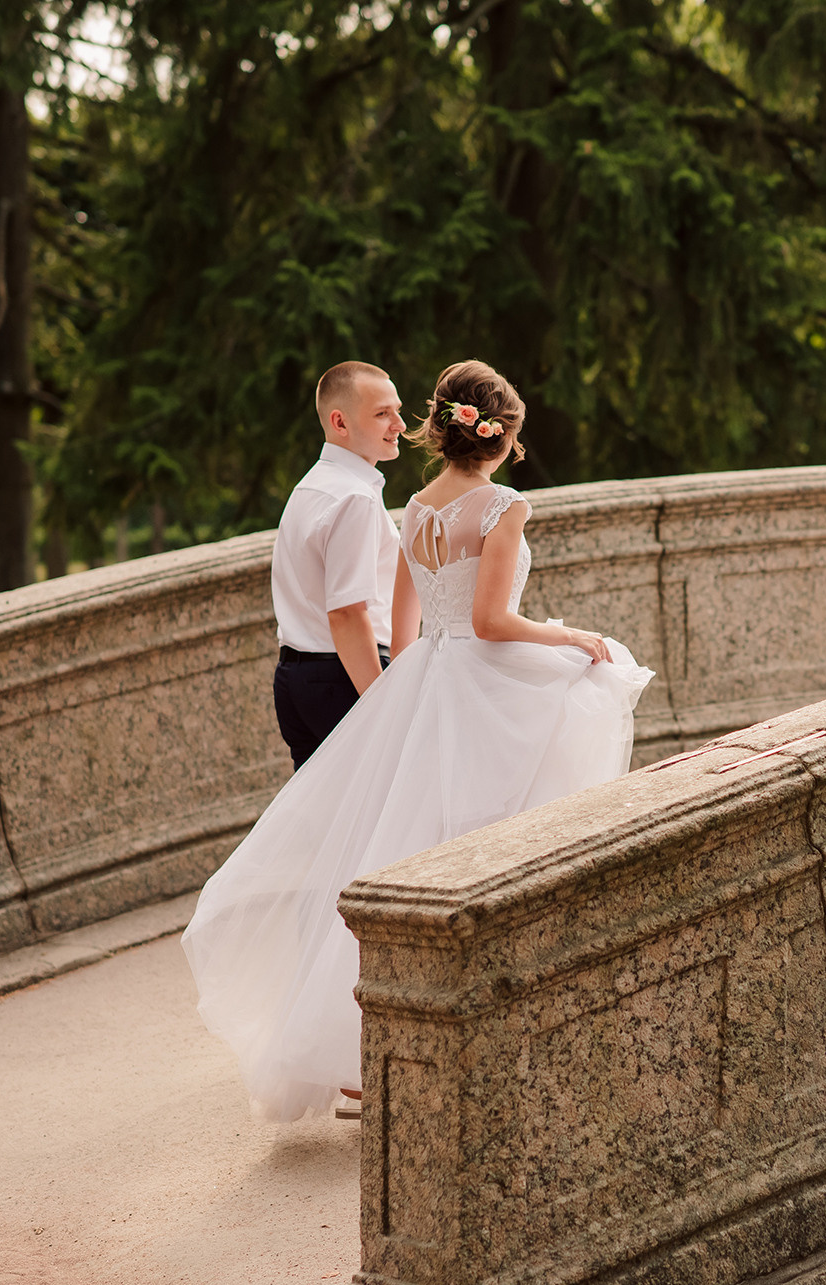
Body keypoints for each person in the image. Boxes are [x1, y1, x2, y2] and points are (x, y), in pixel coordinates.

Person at [182, 359, 653, 1122]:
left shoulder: (416, 505)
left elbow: (407, 622)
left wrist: (402, 693)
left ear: (443, 429)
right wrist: (572, 634)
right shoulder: (503, 506)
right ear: (501, 439)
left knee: (392, 847)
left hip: (427, 670)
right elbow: (496, 621)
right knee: (576, 710)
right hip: (476, 671)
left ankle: (363, 1047)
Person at [270, 361, 405, 770]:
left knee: (327, 826)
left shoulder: (311, 484)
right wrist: (382, 706)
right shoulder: (354, 498)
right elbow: (347, 613)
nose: (398, 424)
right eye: (382, 414)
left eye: (396, 410)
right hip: (342, 680)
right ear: (340, 422)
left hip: (295, 678)